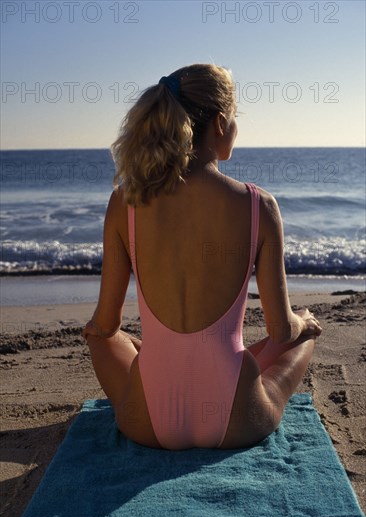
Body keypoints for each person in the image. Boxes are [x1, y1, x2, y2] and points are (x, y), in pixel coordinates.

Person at [82, 64, 322, 451]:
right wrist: (301, 322)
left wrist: (106, 332)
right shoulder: (258, 205)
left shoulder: (124, 202)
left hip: (147, 423)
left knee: (103, 339)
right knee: (301, 335)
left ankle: (163, 354)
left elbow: (105, 325)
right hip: (235, 421)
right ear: (221, 122)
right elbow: (280, 332)